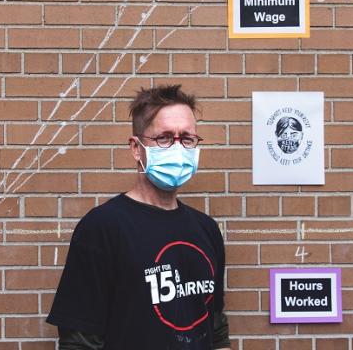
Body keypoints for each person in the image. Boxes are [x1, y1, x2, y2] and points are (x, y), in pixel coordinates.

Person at [47, 84, 231, 350]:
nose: (177, 149)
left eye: (187, 139)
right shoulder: (103, 227)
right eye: (165, 138)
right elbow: (80, 341)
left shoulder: (206, 230)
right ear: (136, 148)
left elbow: (216, 328)